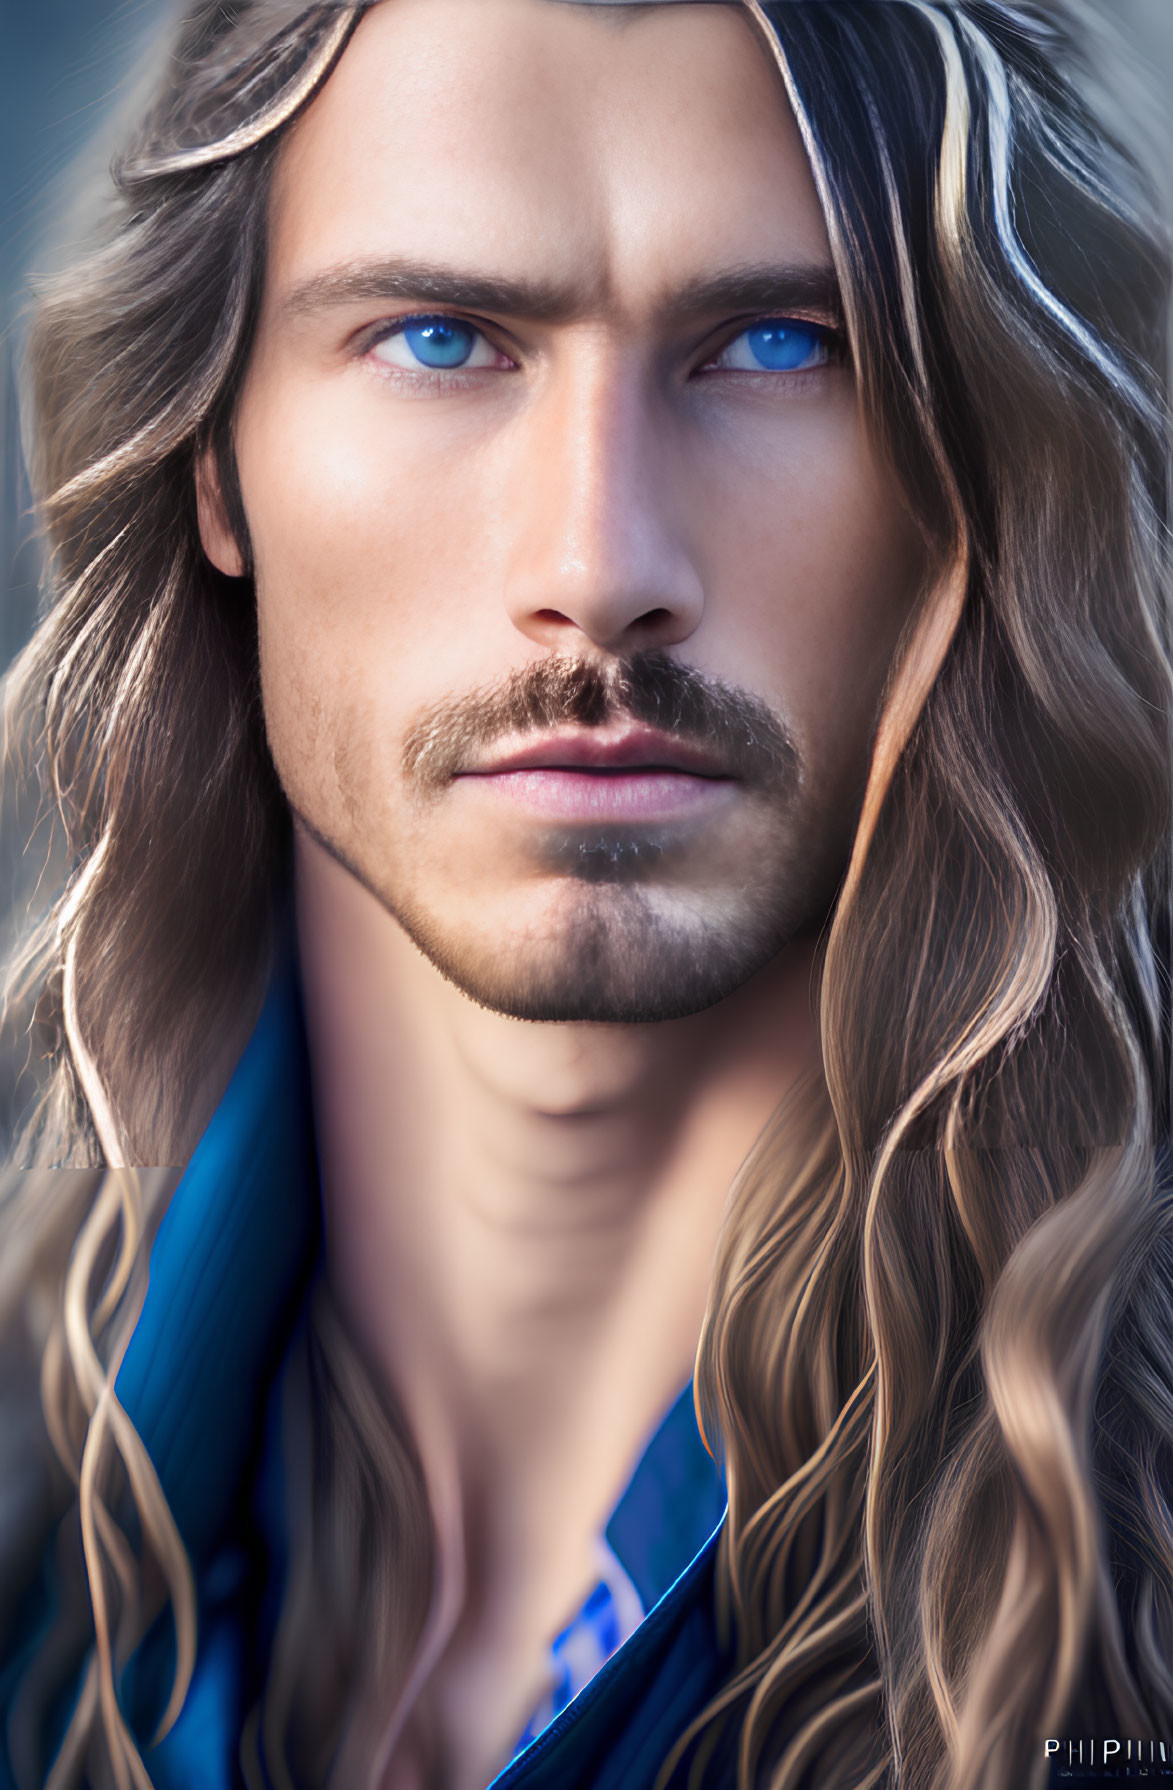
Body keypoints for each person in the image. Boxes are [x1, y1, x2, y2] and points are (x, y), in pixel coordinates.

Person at [0, 0, 1170, 1785]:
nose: (598, 564)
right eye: (441, 337)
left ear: (980, 470)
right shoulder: (32, 1528)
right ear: (212, 460)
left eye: (781, 341)